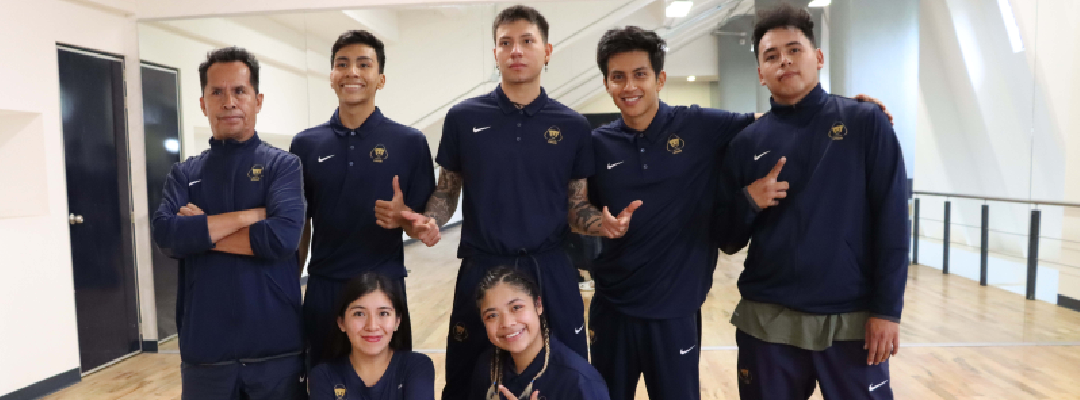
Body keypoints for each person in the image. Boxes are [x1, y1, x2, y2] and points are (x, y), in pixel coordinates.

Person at [373, 6, 634, 400]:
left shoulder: (572, 125)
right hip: (483, 266)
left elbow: (576, 207)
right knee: (465, 380)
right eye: (506, 42)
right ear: (494, 53)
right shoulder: (463, 118)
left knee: (566, 377)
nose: (516, 50)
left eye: (527, 41)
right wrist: (429, 220)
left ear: (547, 51)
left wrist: (603, 224)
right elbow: (447, 192)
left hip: (550, 269)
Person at [716, 4, 909, 400]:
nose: (784, 61)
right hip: (767, 320)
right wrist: (749, 201)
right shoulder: (745, 143)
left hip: (852, 319)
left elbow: (892, 222)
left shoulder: (865, 122)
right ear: (761, 73)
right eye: (771, 56)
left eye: (794, 50)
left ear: (818, 57)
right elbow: (727, 239)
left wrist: (887, 311)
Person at [584, 26, 757, 400]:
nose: (630, 86)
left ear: (659, 79)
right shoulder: (597, 144)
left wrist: (852, 110)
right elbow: (576, 207)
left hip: (675, 311)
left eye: (640, 74)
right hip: (612, 308)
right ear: (607, 84)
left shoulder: (699, 126)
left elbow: (771, 120)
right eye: (618, 77)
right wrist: (600, 223)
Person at [151, 46, 306, 400]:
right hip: (206, 354)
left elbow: (282, 237)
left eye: (239, 91)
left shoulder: (283, 166)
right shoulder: (184, 174)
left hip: (275, 350)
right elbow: (167, 235)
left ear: (257, 100)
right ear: (203, 103)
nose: (229, 102)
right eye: (217, 92)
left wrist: (200, 233)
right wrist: (250, 216)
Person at [291, 29, 435, 368]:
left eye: (364, 64)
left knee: (387, 386)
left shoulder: (410, 142)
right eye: (342, 64)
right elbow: (301, 226)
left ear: (380, 79)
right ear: (331, 76)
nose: (352, 72)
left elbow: (421, 223)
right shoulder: (305, 144)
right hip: (324, 289)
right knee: (321, 384)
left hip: (384, 292)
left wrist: (406, 219)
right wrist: (288, 286)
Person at [468, 267, 610, 400]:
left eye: (516, 307)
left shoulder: (580, 382)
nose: (507, 323)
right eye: (492, 315)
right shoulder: (487, 368)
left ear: (538, 305)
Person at [308, 272, 435, 400]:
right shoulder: (323, 376)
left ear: (397, 321)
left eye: (383, 313)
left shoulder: (417, 367)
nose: (372, 326)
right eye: (359, 314)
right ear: (342, 322)